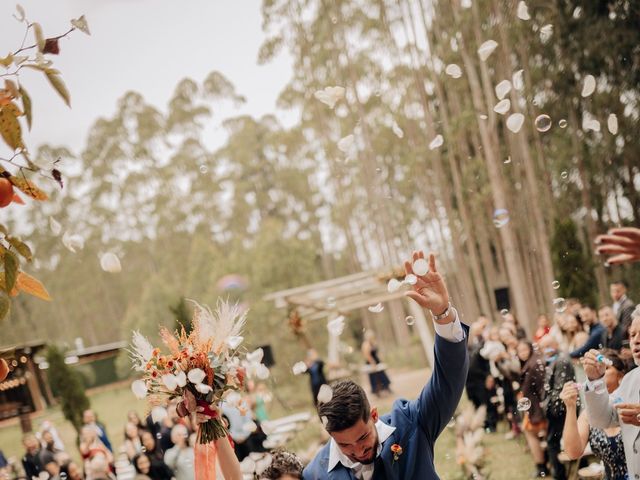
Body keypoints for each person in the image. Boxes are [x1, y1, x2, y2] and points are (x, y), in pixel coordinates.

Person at [303, 251, 469, 480]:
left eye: (362, 438)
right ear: (329, 434)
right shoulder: (314, 474)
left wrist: (442, 314)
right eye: (345, 445)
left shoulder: (411, 422)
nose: (358, 451)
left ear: (373, 415)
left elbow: (448, 380)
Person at [582, 306, 640, 478]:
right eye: (633, 334)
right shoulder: (630, 380)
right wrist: (595, 380)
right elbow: (603, 419)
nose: (636, 340)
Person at [560, 350, 630, 480]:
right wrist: (570, 406)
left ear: (621, 376)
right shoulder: (589, 414)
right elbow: (573, 452)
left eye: (606, 368)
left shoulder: (631, 406)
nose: (599, 371)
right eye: (596, 367)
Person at [539, 334, 575, 480]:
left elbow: (560, 389)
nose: (546, 350)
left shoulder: (562, 361)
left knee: (553, 443)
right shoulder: (553, 360)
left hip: (560, 412)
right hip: (557, 411)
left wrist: (550, 409)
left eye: (548, 346)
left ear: (555, 344)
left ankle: (559, 475)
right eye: (543, 348)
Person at [517, 340, 549, 478]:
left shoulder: (534, 364)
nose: (522, 353)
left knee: (531, 433)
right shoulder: (529, 363)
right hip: (532, 408)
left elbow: (541, 388)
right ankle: (542, 465)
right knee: (532, 433)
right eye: (519, 351)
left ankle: (541, 466)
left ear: (530, 349)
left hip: (537, 408)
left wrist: (541, 409)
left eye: (524, 349)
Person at [361, 331, 392, 397]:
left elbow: (376, 352)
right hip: (371, 363)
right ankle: (377, 391)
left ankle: (386, 387)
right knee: (374, 377)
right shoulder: (366, 344)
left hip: (377, 362)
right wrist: (373, 363)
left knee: (382, 375)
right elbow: (367, 355)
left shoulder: (373, 343)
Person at [609, 280, 636, 347]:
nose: (615, 294)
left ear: (624, 290)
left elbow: (625, 328)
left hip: (623, 343)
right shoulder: (614, 305)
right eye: (612, 291)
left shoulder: (628, 305)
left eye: (617, 291)